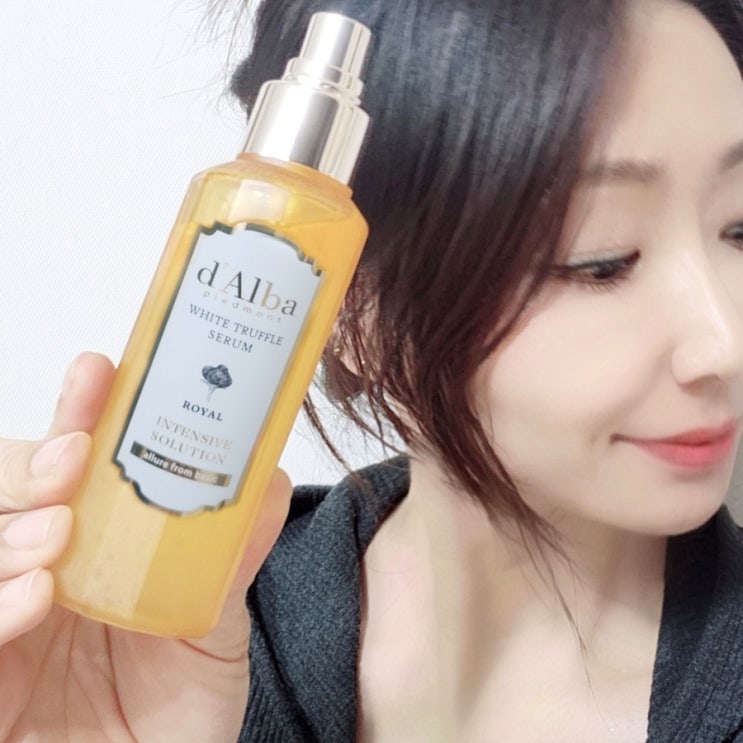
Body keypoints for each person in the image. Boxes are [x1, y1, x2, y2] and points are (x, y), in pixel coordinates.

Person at [2, 0, 743, 740]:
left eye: (739, 228)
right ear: (347, 308)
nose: (724, 343)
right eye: (601, 260)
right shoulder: (162, 647)